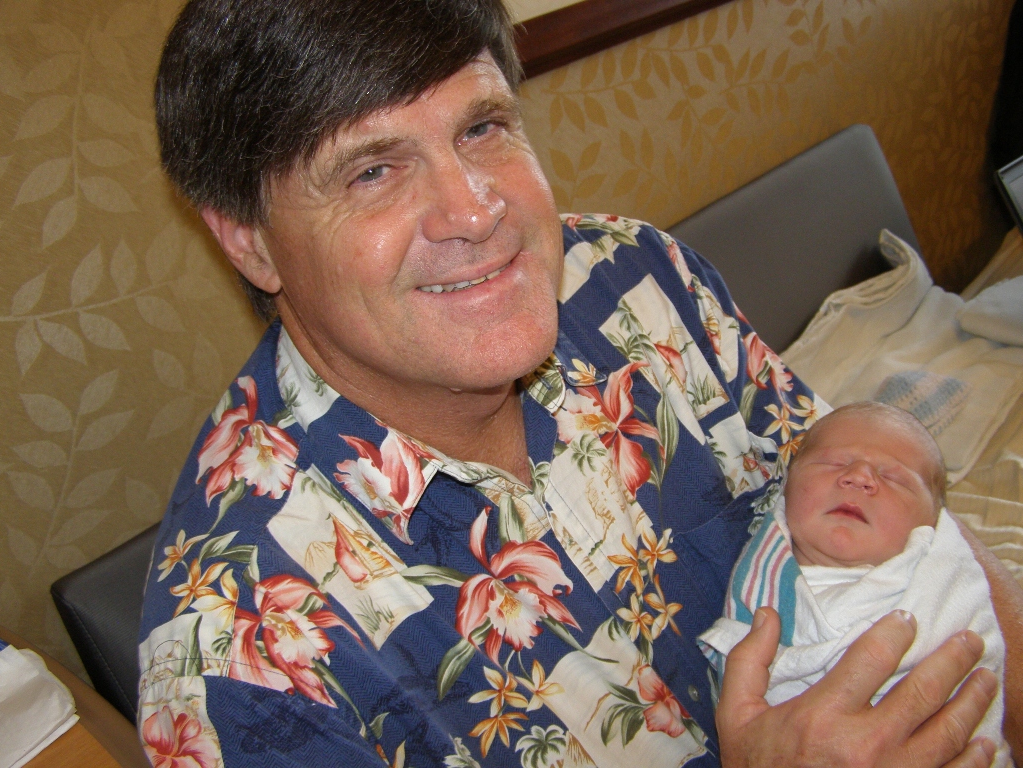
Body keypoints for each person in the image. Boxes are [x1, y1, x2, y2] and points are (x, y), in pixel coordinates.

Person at [137, 0, 1021, 765]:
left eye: (482, 128)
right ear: (250, 241)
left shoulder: (636, 276)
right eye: (373, 170)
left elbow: (914, 525)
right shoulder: (239, 666)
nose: (476, 209)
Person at [699, 402, 1011, 765]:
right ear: (787, 485)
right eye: (832, 463)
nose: (859, 476)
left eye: (895, 478)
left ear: (932, 525)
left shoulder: (942, 583)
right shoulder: (767, 585)